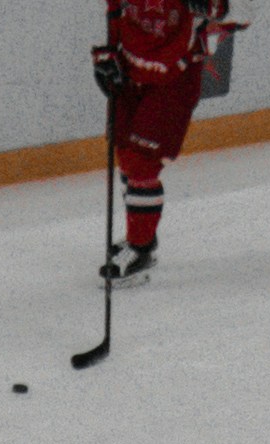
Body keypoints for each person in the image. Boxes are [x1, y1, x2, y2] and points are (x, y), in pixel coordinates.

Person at [92, 0, 217, 284]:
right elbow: (105, 9)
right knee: (125, 153)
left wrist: (214, 5)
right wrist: (103, 55)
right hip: (128, 68)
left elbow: (244, 12)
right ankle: (142, 236)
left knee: (141, 163)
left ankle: (140, 249)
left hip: (176, 76)